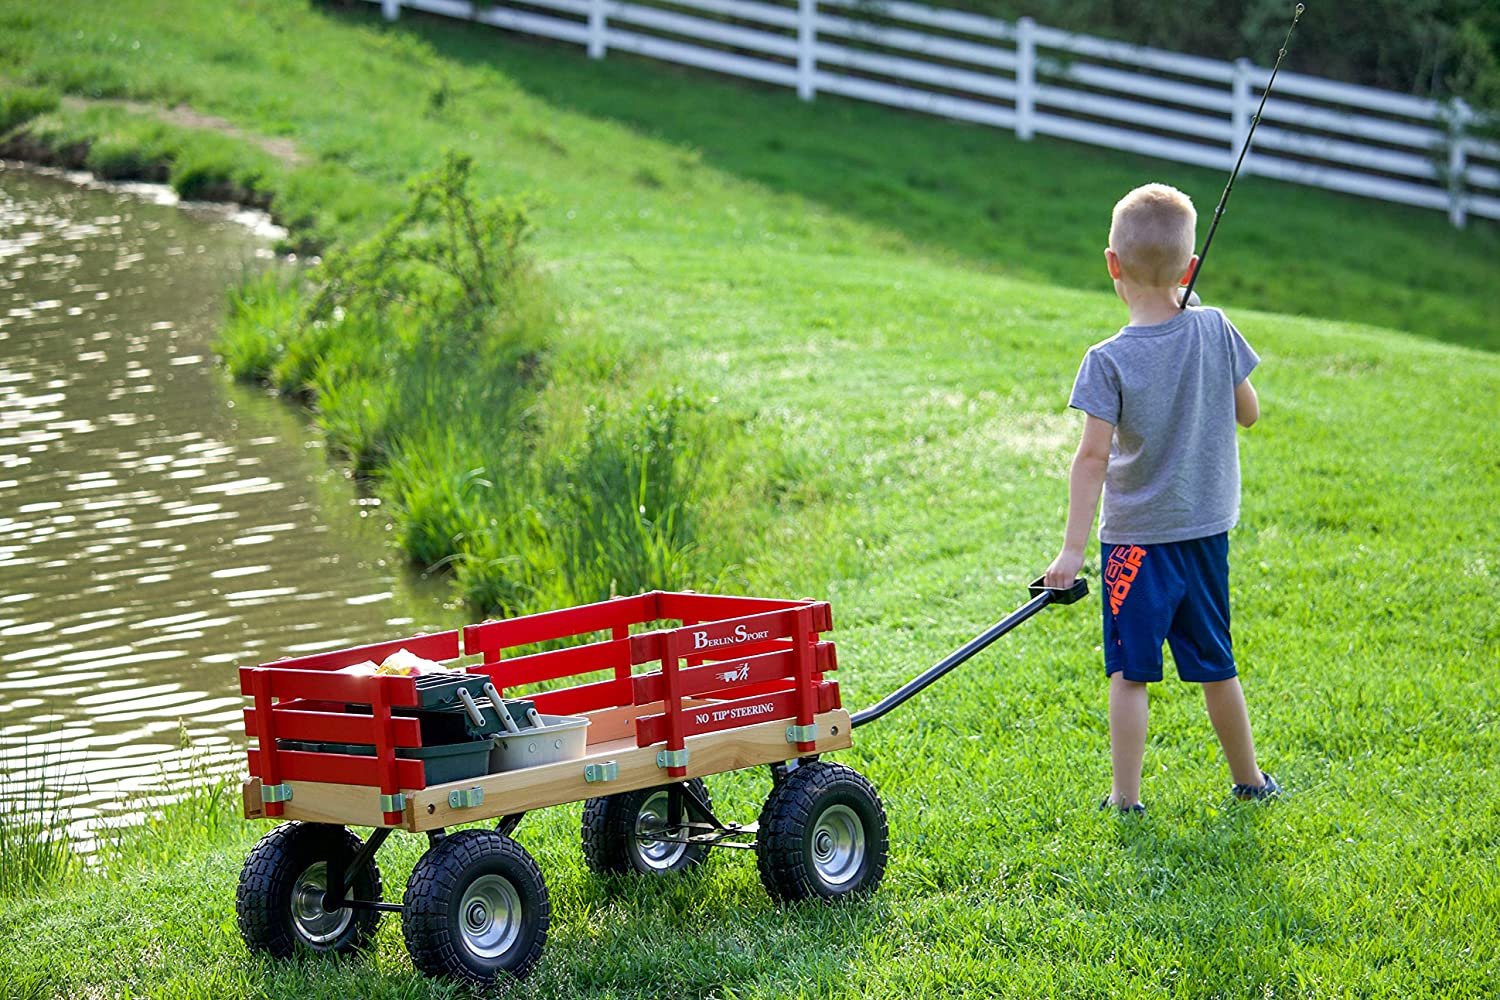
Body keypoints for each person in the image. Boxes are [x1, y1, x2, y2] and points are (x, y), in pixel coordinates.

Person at [1043, 182, 1279, 814]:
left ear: (1112, 265)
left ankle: (1125, 797)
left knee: (1131, 674)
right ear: (1189, 267)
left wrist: (1070, 552)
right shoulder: (1216, 328)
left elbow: (1091, 459)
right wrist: (1204, 330)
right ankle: (1250, 780)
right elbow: (1249, 414)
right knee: (1217, 666)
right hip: (1204, 535)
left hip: (1135, 545)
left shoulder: (1106, 360)